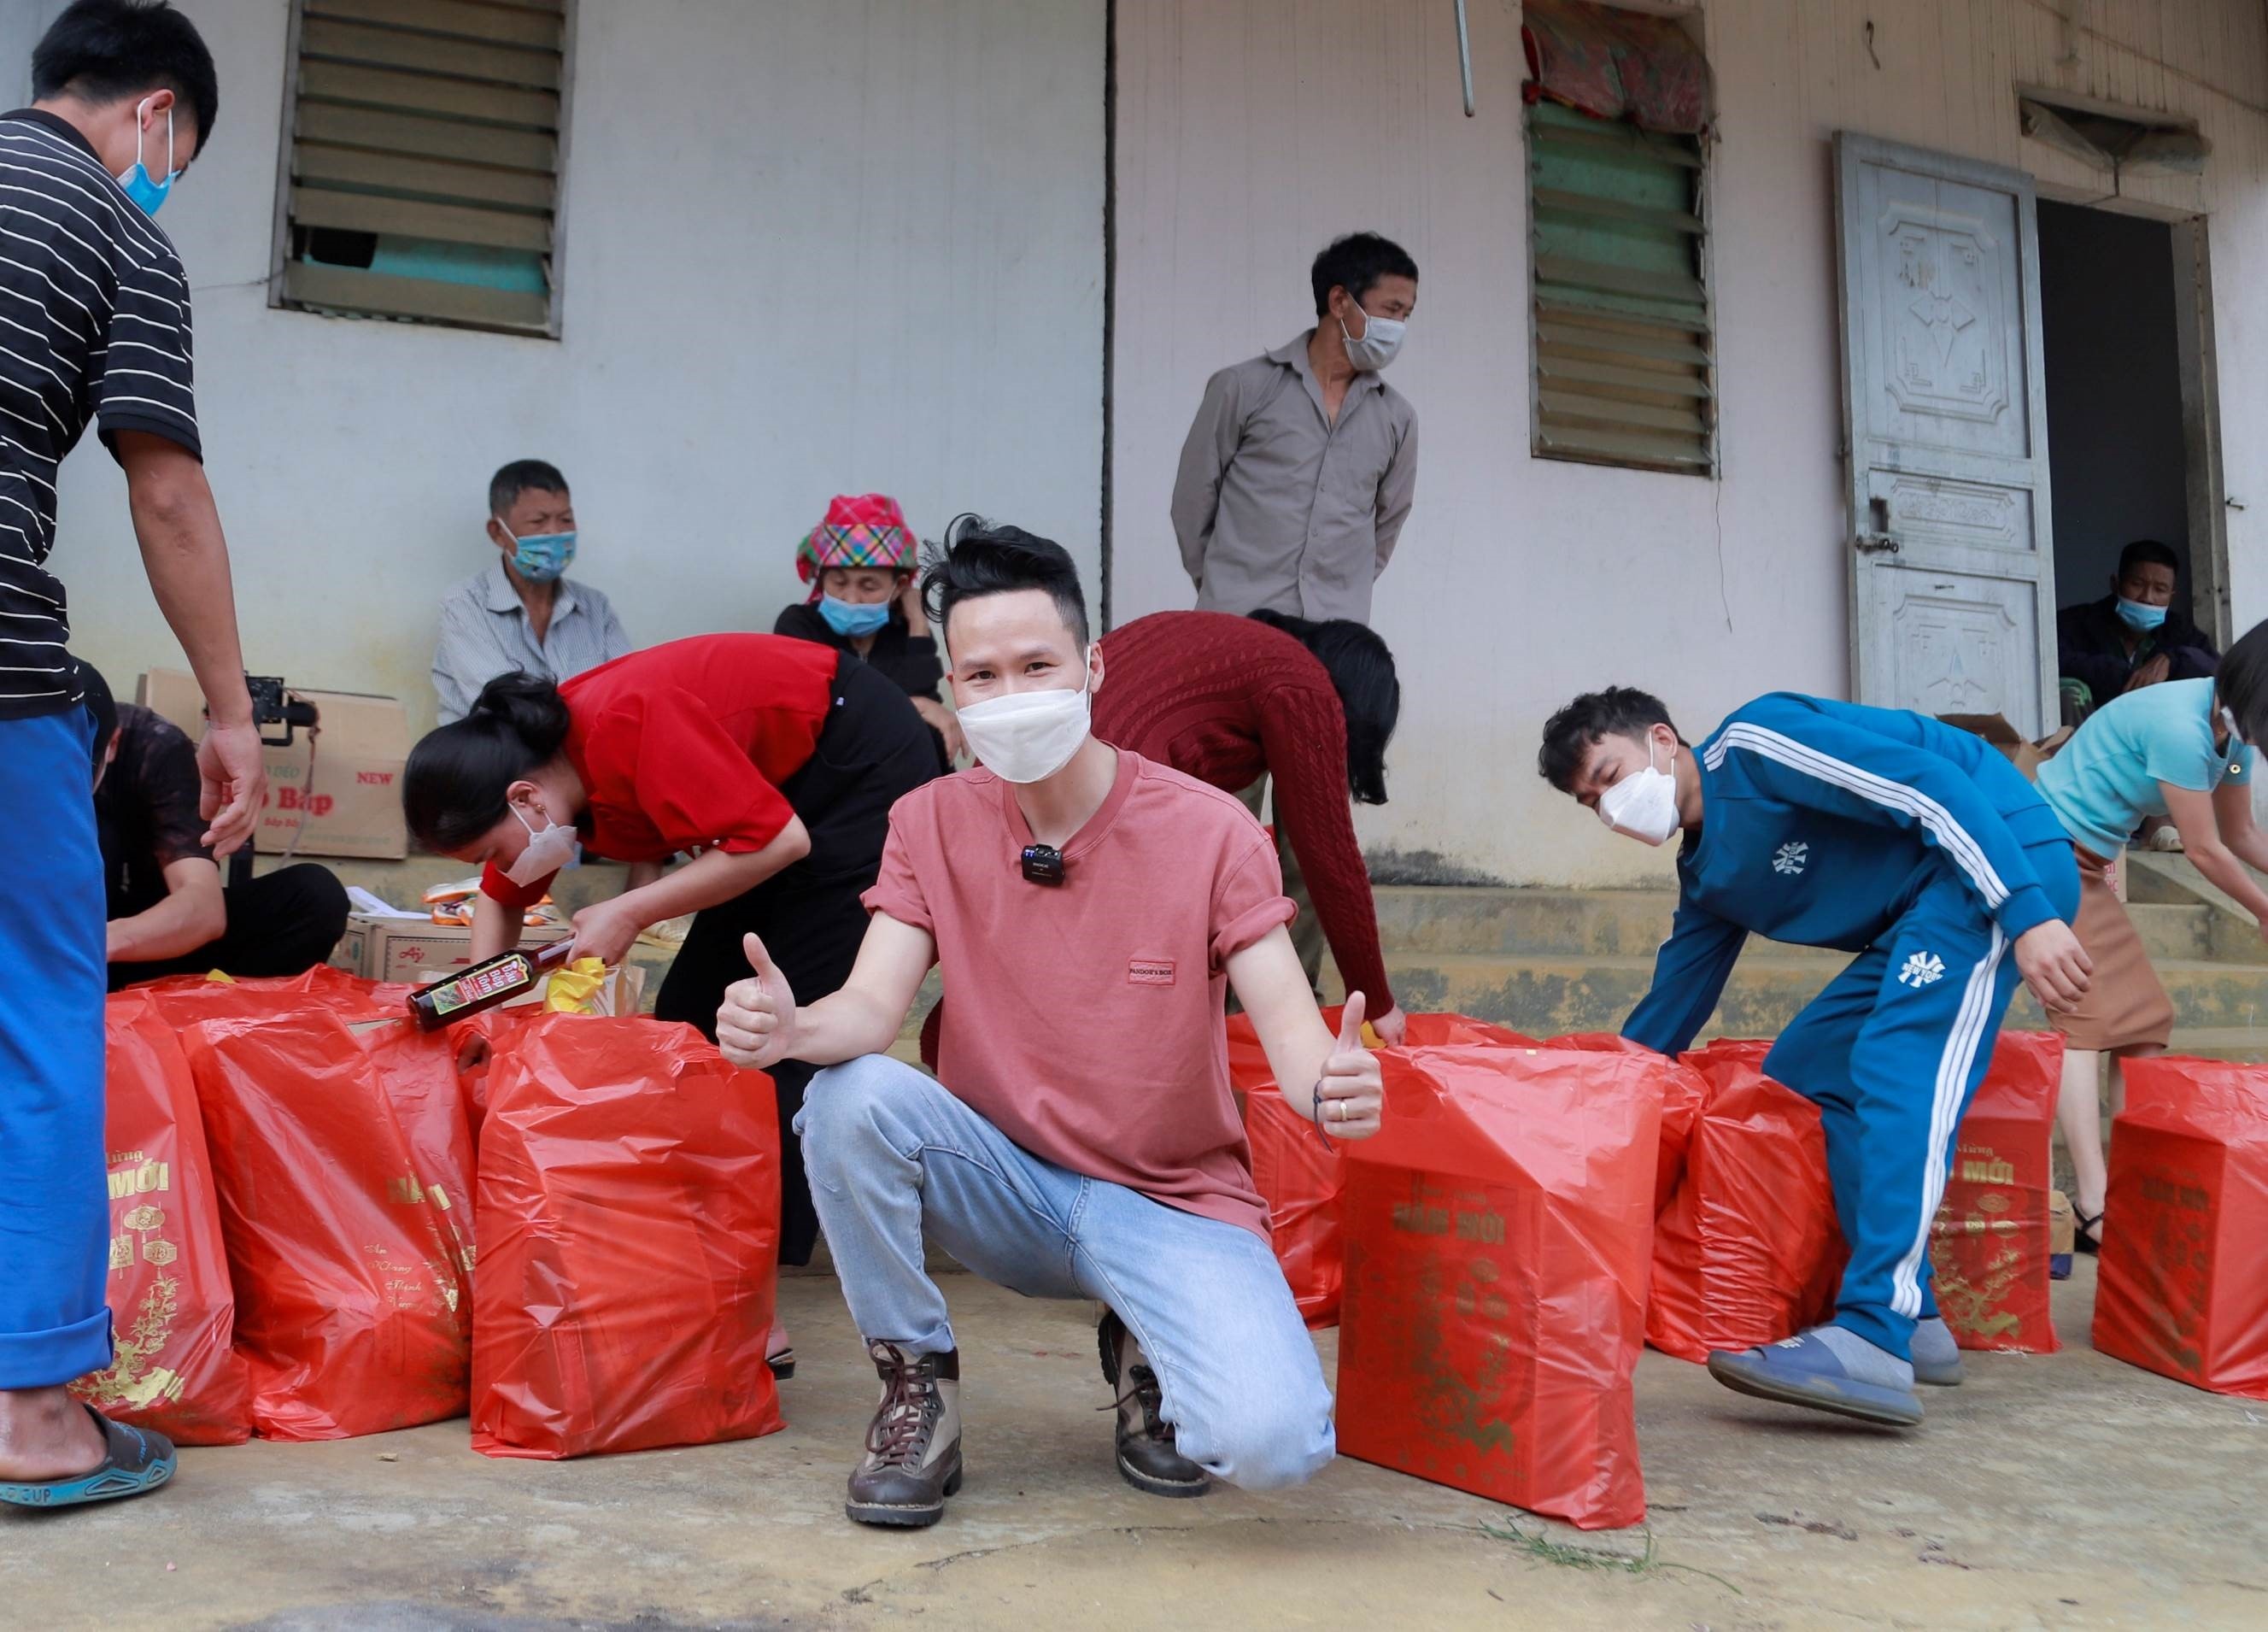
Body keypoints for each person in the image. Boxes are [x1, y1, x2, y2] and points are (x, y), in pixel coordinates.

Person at [715, 523, 1382, 1529]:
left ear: (1093, 664)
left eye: (1038, 663)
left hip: (1170, 1200)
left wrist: (1331, 1084)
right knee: (847, 1094)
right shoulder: (929, 819)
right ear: (950, 684)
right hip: (1005, 1185)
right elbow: (870, 1009)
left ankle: (1143, 1343)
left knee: (1274, 1445)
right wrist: (791, 1025)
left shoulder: (1211, 830)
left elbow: (1291, 1033)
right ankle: (917, 1385)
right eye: (982, 673)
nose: (1013, 691)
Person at [1538, 688, 2089, 1429]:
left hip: (1994, 864)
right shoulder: (1707, 876)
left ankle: (1872, 1334)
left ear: (1663, 740)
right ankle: (1913, 1314)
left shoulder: (1757, 744)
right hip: (1923, 909)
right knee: (1805, 1071)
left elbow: (1933, 788)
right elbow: (1669, 1010)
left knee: (1898, 1066)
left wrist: (2024, 910)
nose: (1609, 808)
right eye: (1588, 803)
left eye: (1609, 776)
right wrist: (1579, 1114)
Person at [0, 0, 264, 1512]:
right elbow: (164, 495)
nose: (164, 182)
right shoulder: (113, 230)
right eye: (178, 158)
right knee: (37, 1028)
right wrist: (228, 711)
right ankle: (35, 1420)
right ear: (152, 117)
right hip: (0, 671)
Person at [401, 633, 937, 1372]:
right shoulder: (544, 781)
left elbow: (777, 840)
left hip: (853, 765)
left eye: (493, 849)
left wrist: (632, 913)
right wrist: (486, 1016)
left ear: (524, 799)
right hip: (770, 808)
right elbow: (500, 899)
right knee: (688, 1019)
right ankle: (696, 1256)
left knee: (774, 1039)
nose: (500, 867)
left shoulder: (629, 723)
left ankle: (745, 1304)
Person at [2030, 619, 2268, 1259]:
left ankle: (2128, 1188)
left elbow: (2241, 834)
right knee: (2084, 1017)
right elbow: (2203, 849)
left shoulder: (2232, 737)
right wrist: (2262, 911)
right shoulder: (2181, 728)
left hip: (2083, 858)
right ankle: (2092, 1203)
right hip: (2045, 851)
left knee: (2142, 1021)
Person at [1091, 608, 1406, 1037]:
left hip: (1040, 785)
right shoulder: (1303, 684)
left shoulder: (1236, 641)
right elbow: (1329, 861)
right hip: (1111, 807)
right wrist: (1376, 1000)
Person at [1172, 231, 1420, 626]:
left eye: (1406, 315)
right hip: (1240, 621)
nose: (1399, 327)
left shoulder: (1397, 418)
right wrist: (1224, 584)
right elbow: (1192, 500)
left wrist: (1343, 589)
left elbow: (1387, 524)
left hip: (1336, 633)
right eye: (1390, 310)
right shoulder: (1243, 387)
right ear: (1340, 301)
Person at [75, 662, 347, 989]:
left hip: (134, 939)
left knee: (314, 895)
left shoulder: (154, 746)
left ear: (113, 743)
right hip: (49, 943)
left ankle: (227, 1011)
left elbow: (203, 907)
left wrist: (102, 942)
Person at [432, 459, 630, 725]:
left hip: (581, 756)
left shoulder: (596, 607)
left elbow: (627, 695)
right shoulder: (464, 604)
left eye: (566, 519)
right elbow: (504, 708)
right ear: (498, 533)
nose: (555, 532)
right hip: (492, 759)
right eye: (538, 521)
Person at [772, 493, 962, 768]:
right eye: (838, 582)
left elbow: (927, 708)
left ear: (898, 588)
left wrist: (919, 626)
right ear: (821, 579)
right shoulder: (798, 625)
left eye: (869, 586)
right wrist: (914, 707)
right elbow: (825, 713)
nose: (851, 598)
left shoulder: (904, 632)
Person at [2057, 539, 2220, 723]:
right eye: (2137, 584)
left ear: (2171, 596)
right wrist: (2120, 674)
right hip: (2094, 735)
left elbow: (2220, 670)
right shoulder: (2077, 622)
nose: (2147, 598)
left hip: (2154, 736)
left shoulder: (2179, 630)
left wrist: (2174, 660)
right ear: (2116, 584)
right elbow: (2049, 661)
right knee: (2070, 691)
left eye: (2160, 590)